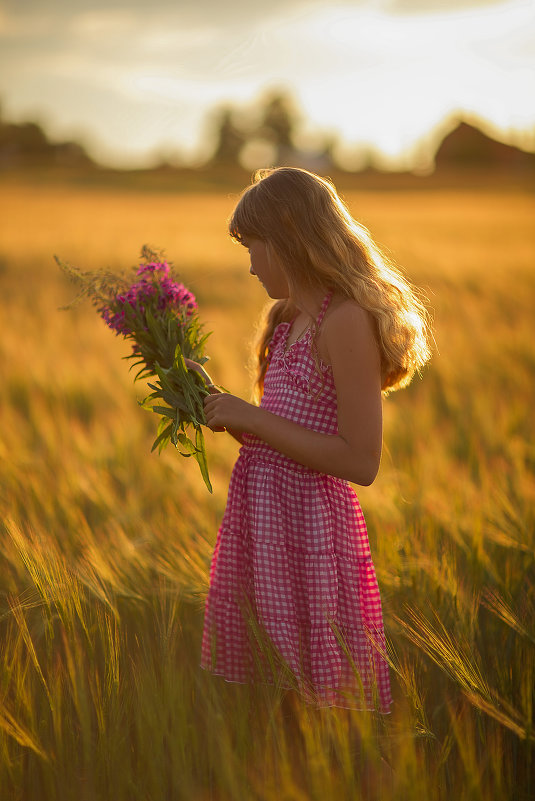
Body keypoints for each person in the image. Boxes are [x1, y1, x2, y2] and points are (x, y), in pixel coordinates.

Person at [189, 167, 431, 711]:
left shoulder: (343, 322)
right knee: (271, 696)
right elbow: (286, 442)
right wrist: (228, 415)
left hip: (312, 532)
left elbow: (360, 460)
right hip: (264, 524)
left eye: (254, 246)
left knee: (318, 701)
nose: (249, 264)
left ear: (290, 239)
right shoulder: (286, 318)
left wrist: (252, 419)